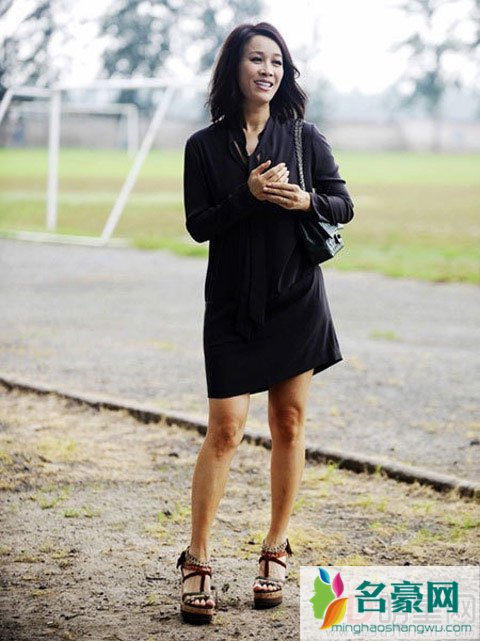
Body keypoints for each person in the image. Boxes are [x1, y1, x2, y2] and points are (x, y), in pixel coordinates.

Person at [176, 21, 354, 624]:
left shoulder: (304, 136)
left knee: (289, 423)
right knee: (225, 430)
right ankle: (197, 555)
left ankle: (275, 547)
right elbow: (198, 225)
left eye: (276, 62)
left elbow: (343, 205)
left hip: (295, 299)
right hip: (230, 305)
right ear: (235, 67)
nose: (268, 70)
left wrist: (307, 200)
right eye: (257, 59)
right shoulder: (203, 146)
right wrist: (247, 195)